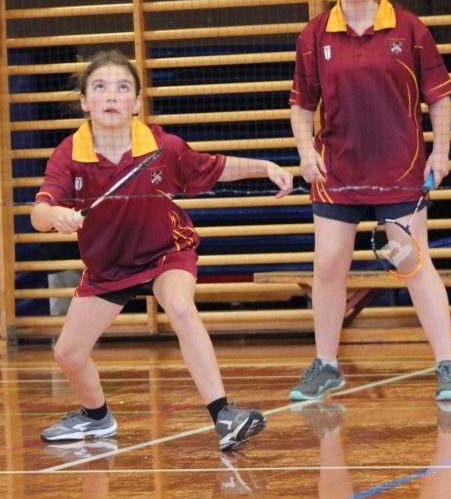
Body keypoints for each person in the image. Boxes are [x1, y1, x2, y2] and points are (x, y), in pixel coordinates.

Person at [32, 50, 294, 451]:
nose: (111, 96)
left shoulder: (160, 146)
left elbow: (211, 167)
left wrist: (264, 167)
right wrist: (57, 215)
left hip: (165, 251)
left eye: (123, 88)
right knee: (68, 354)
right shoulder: (71, 153)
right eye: (100, 88)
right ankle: (96, 416)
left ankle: (224, 414)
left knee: (180, 307)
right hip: (109, 265)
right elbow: (39, 213)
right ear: (84, 101)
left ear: (137, 102)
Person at [288, 0, 451, 402]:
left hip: (401, 163)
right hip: (337, 169)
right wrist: (306, 151)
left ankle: (448, 364)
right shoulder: (314, 35)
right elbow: (302, 105)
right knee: (328, 265)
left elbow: (439, 96)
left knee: (410, 261)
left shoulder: (408, 28)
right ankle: (326, 365)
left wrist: (441, 152)